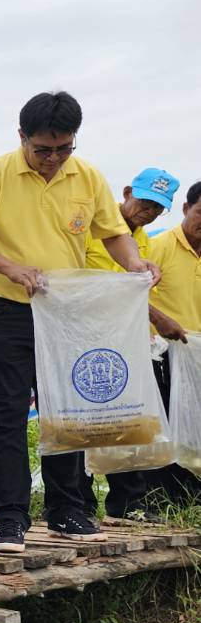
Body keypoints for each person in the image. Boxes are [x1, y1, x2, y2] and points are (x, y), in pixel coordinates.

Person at [0, 91, 159, 554]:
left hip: (66, 312)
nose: (52, 159)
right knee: (6, 413)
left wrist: (135, 265)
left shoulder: (87, 177)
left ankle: (66, 509)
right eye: (42, 149)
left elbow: (114, 234)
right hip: (9, 307)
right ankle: (10, 517)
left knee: (66, 409)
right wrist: (9, 267)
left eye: (63, 149)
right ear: (21, 137)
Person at [79, 168, 179, 522]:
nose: (148, 212)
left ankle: (128, 503)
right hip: (85, 338)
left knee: (126, 418)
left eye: (157, 208)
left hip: (123, 339)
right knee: (83, 420)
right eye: (145, 202)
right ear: (126, 192)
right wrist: (157, 316)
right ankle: (80, 503)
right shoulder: (91, 228)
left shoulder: (143, 241)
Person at [115, 180, 201, 514]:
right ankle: (163, 497)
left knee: (194, 427)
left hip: (197, 356)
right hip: (161, 353)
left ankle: (191, 495)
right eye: (200, 213)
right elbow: (132, 290)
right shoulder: (156, 246)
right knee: (164, 427)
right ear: (185, 209)